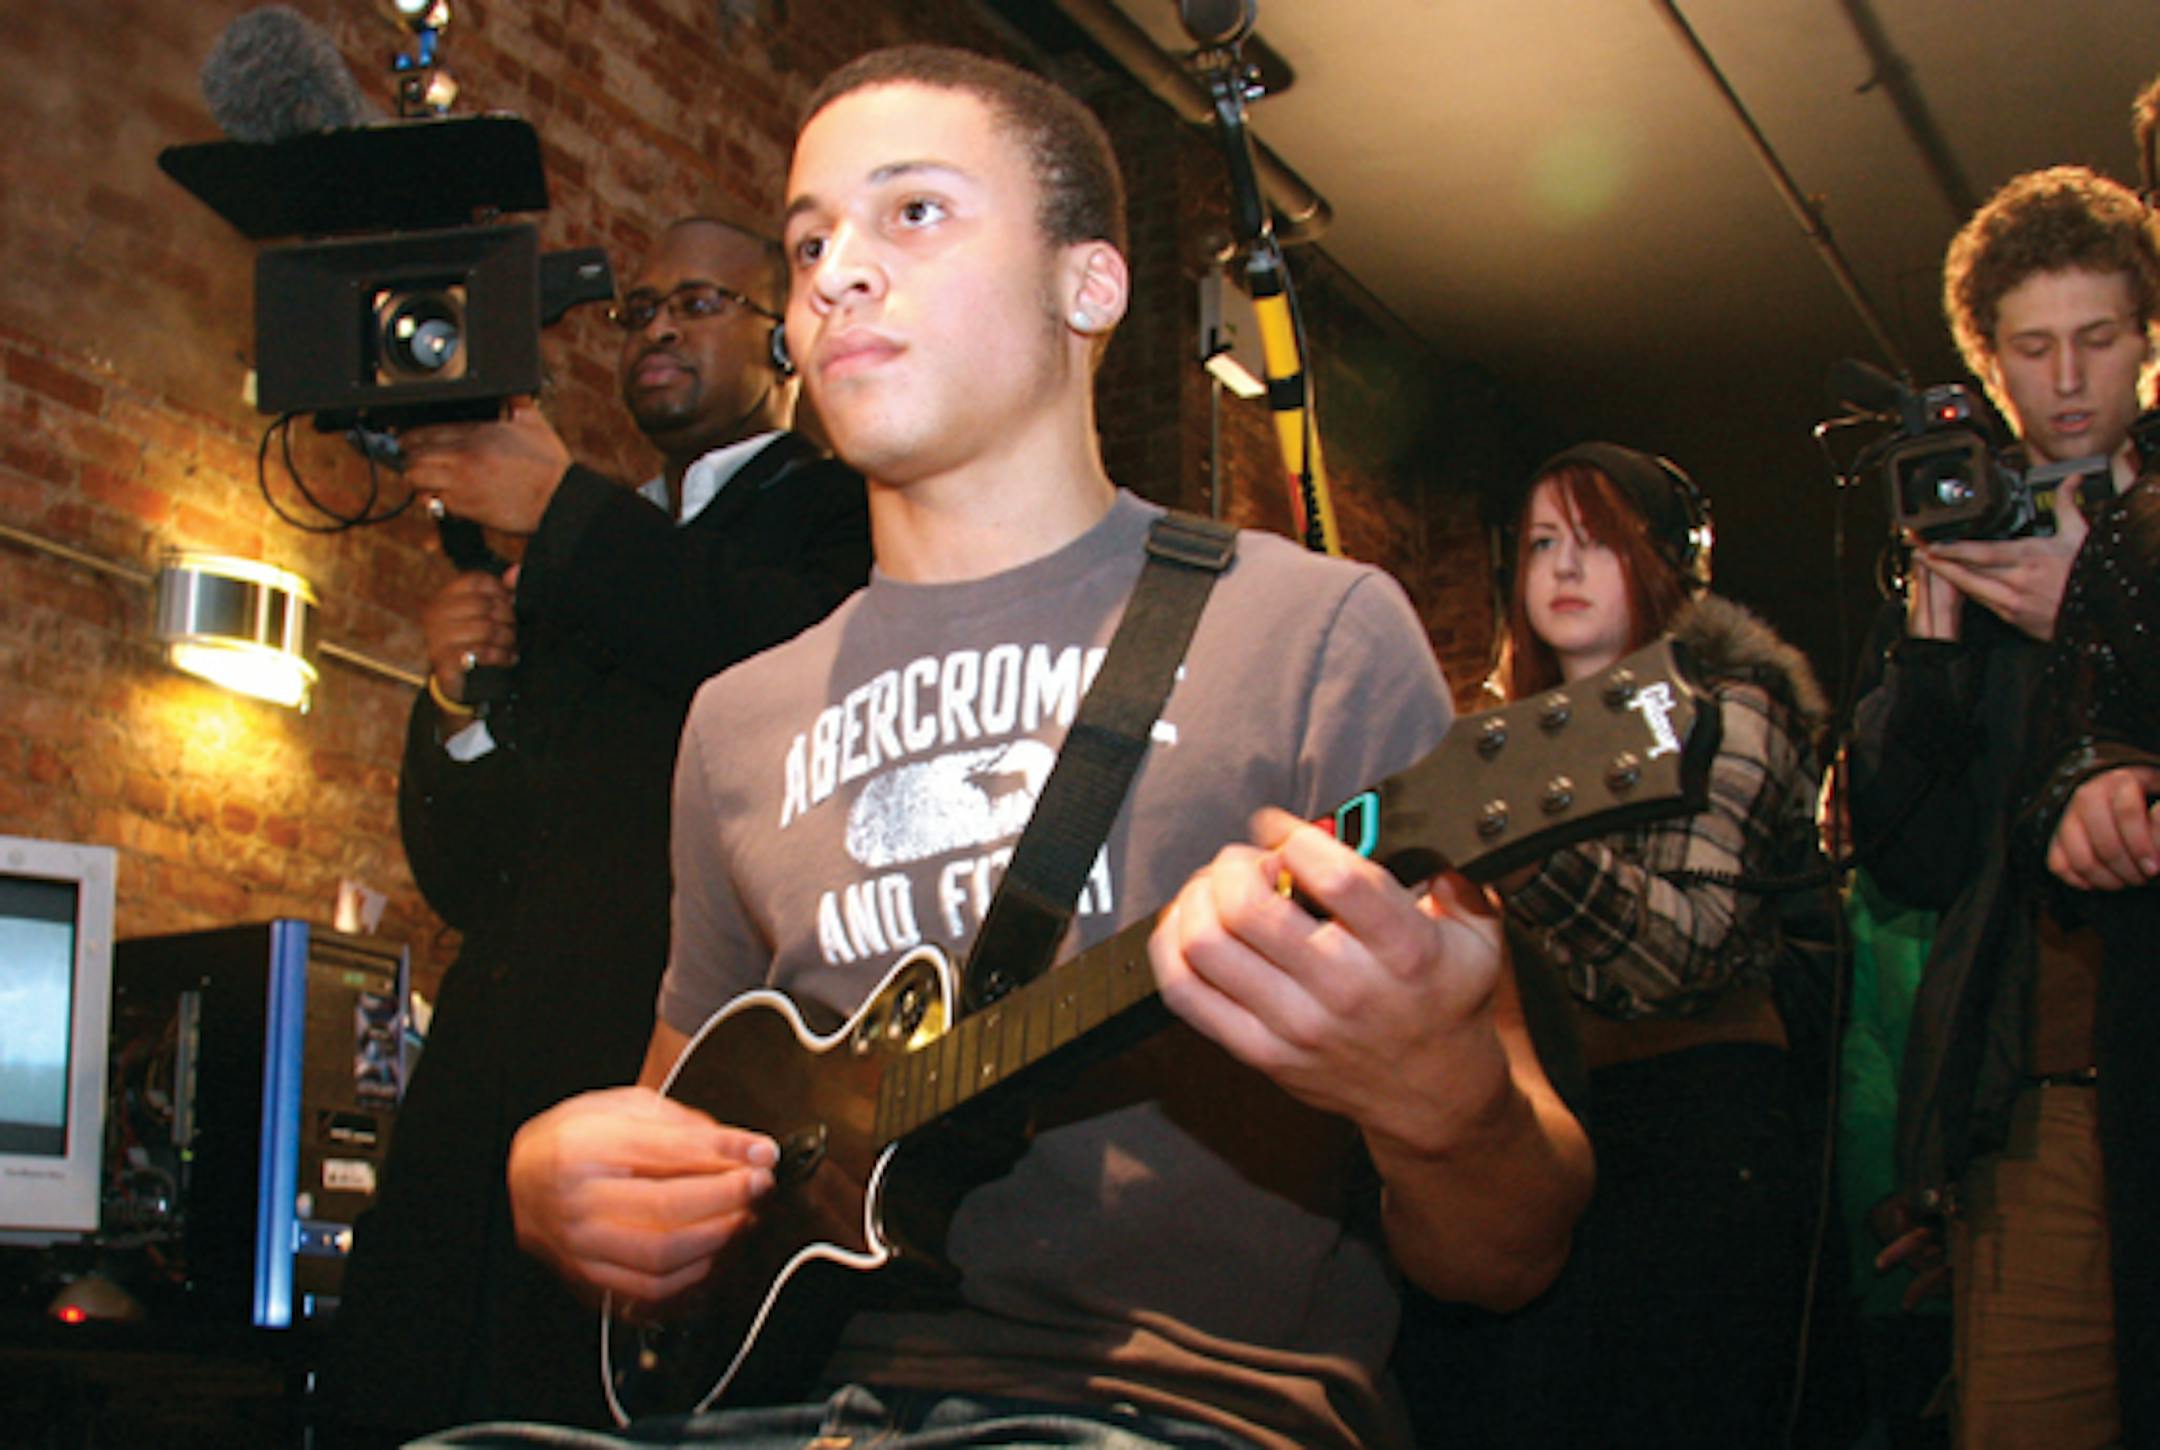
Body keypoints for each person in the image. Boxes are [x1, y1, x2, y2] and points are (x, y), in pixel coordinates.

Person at [446, 44, 1595, 1450]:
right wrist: (571, 1193)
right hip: (790, 1407)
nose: (836, 272)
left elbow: (1508, 1252)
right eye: (809, 242)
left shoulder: (1314, 632)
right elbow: (684, 1136)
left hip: (1176, 1413)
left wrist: (1444, 1106)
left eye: (914, 212)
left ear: (1088, 286)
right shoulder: (736, 720)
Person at [319, 217, 871, 1442]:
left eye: (699, 302)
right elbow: (473, 875)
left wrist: (561, 508)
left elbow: (779, 672)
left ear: (785, 342)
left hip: (650, 1064)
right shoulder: (595, 545)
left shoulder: (845, 514)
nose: (658, 328)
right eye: (637, 310)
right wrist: (459, 702)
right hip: (483, 1085)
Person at [1402, 443, 1829, 1449]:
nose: (1562, 565)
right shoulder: (1494, 737)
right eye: (1541, 542)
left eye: (1596, 540)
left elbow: (1687, 956)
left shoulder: (1737, 707)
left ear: (1669, 558)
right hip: (1535, 1134)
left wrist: (1512, 846)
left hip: (1696, 1140)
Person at [1847, 164, 2158, 1449]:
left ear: (2150, 341)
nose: (2069, 378)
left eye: (2100, 337)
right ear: (1987, 361)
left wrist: (2105, 603)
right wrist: (1932, 652)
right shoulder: (1965, 530)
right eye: (2034, 348)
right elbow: (1912, 864)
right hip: (2029, 1092)